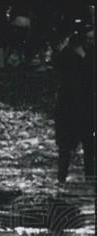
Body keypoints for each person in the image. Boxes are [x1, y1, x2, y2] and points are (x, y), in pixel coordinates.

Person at [53, 22, 95, 184]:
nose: (92, 41)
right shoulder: (67, 55)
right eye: (89, 38)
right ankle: (61, 179)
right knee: (65, 147)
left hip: (87, 106)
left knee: (90, 146)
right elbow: (56, 64)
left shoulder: (91, 53)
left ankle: (90, 180)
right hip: (68, 106)